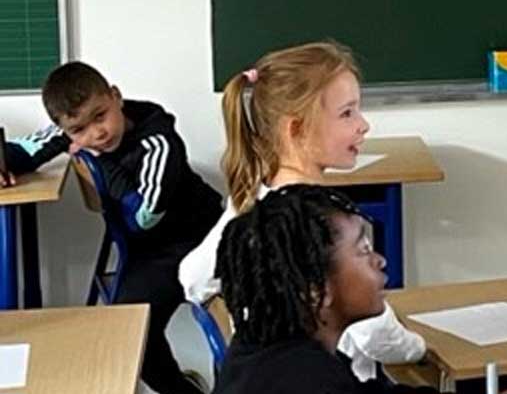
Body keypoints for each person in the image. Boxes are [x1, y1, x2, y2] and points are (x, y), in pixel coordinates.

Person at [179, 41, 425, 382]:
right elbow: (376, 334)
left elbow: (192, 278)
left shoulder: (254, 198)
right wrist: (419, 348)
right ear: (296, 129)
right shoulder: (313, 227)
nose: (363, 125)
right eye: (347, 113)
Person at [6, 61, 221, 394]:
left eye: (100, 115)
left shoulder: (159, 144)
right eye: (79, 130)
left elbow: (144, 219)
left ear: (116, 97)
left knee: (135, 330)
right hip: (145, 249)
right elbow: (21, 152)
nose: (96, 133)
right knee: (128, 331)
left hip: (193, 241)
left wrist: (102, 160)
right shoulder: (74, 132)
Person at [212, 184, 434, 394]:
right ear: (316, 290)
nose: (380, 261)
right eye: (364, 250)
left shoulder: (257, 347)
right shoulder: (312, 381)